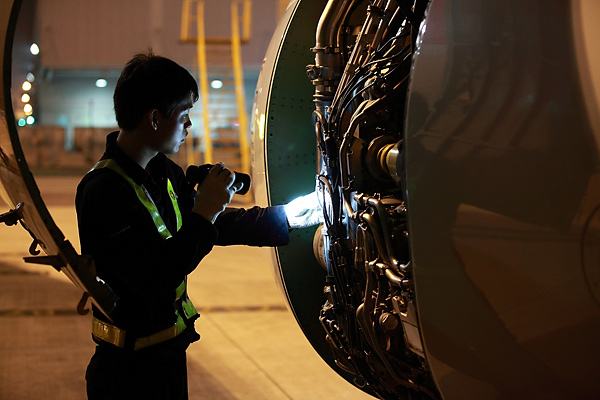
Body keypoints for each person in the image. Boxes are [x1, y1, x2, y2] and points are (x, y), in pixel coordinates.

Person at [75, 52, 318, 400]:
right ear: (156, 118)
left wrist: (289, 217)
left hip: (167, 356)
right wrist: (205, 210)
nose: (190, 126)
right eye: (184, 115)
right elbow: (156, 277)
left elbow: (217, 224)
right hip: (127, 372)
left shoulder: (164, 172)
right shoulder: (103, 191)